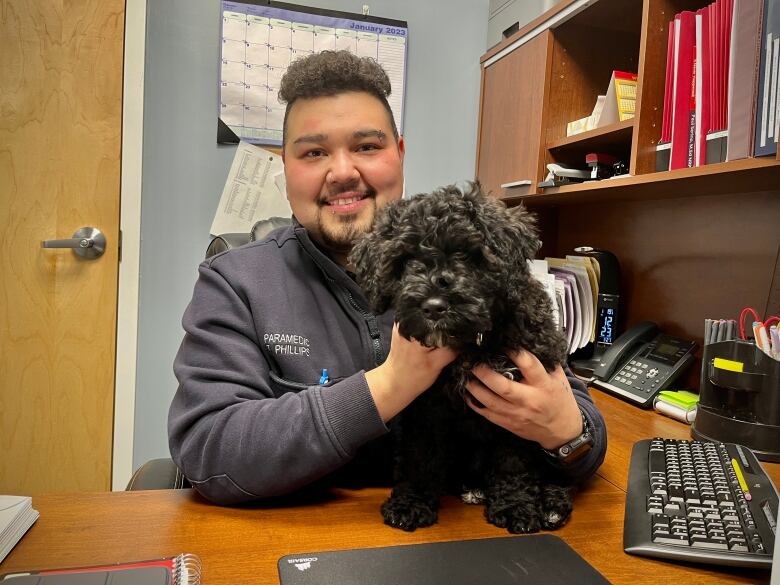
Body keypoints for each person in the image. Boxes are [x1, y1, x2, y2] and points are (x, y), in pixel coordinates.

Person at [168, 50, 606, 505]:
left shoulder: (478, 267)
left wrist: (567, 434)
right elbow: (208, 451)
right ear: (285, 166)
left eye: (366, 146)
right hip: (304, 534)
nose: (342, 172)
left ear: (399, 153)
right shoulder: (235, 282)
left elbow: (578, 422)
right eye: (314, 152)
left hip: (460, 536)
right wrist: (391, 384)